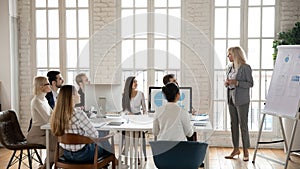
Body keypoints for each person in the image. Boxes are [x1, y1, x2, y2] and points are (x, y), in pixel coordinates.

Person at [50, 85, 113, 163]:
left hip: (66, 154)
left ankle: (112, 162)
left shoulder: (57, 114)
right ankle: (114, 162)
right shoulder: (79, 114)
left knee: (103, 136)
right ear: (72, 96)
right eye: (77, 93)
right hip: (83, 155)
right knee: (104, 143)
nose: (79, 95)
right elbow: (95, 135)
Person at [224, 46, 253, 161]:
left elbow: (250, 83)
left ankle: (246, 150)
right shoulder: (229, 67)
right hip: (231, 98)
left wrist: (236, 82)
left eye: (230, 54)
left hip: (242, 100)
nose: (228, 56)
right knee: (233, 124)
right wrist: (227, 83)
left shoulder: (246, 68)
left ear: (236, 55)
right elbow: (229, 81)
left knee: (243, 125)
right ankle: (236, 149)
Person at [27, 76, 57, 169]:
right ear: (41, 87)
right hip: (35, 135)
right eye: (47, 84)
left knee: (57, 141)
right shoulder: (36, 101)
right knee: (56, 144)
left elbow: (53, 114)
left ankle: (47, 165)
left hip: (45, 133)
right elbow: (48, 119)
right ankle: (48, 165)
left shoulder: (44, 99)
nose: (50, 85)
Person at [122, 76, 147, 161]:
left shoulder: (140, 94)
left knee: (132, 133)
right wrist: (129, 114)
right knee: (130, 132)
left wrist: (144, 121)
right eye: (134, 82)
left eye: (136, 82)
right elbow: (122, 110)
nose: (136, 83)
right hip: (128, 119)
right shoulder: (124, 95)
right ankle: (136, 156)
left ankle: (126, 151)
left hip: (138, 119)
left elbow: (144, 110)